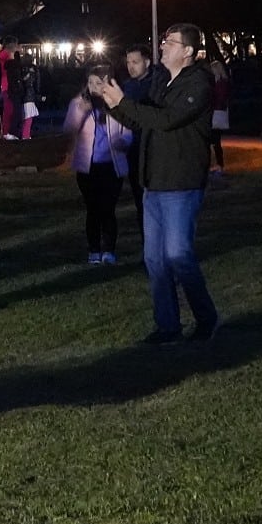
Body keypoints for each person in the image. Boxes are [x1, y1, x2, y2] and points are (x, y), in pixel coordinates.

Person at [93, 23, 220, 344]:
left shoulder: (199, 83)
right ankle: (168, 327)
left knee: (178, 255)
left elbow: (166, 120)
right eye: (163, 41)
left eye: (170, 42)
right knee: (154, 259)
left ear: (188, 51)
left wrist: (123, 102)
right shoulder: (163, 82)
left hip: (180, 181)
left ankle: (206, 318)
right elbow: (141, 119)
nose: (162, 46)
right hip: (153, 181)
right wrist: (111, 99)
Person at [64, 63, 132, 264]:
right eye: (90, 82)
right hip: (88, 166)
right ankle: (94, 250)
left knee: (108, 209)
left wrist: (124, 142)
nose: (93, 86)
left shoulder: (117, 104)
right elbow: (68, 130)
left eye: (98, 82)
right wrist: (81, 112)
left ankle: (109, 250)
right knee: (92, 209)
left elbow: (128, 131)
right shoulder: (79, 103)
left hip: (111, 165)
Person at [120, 44, 156, 225]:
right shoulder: (127, 86)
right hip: (133, 148)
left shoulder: (157, 84)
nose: (130, 66)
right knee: (139, 196)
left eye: (135, 62)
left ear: (147, 62)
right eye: (128, 62)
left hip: (153, 148)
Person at [206, 60, 231, 179]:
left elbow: (219, 99)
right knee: (215, 142)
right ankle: (218, 165)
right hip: (217, 113)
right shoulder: (221, 83)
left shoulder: (220, 84)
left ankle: (218, 166)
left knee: (214, 142)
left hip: (215, 113)